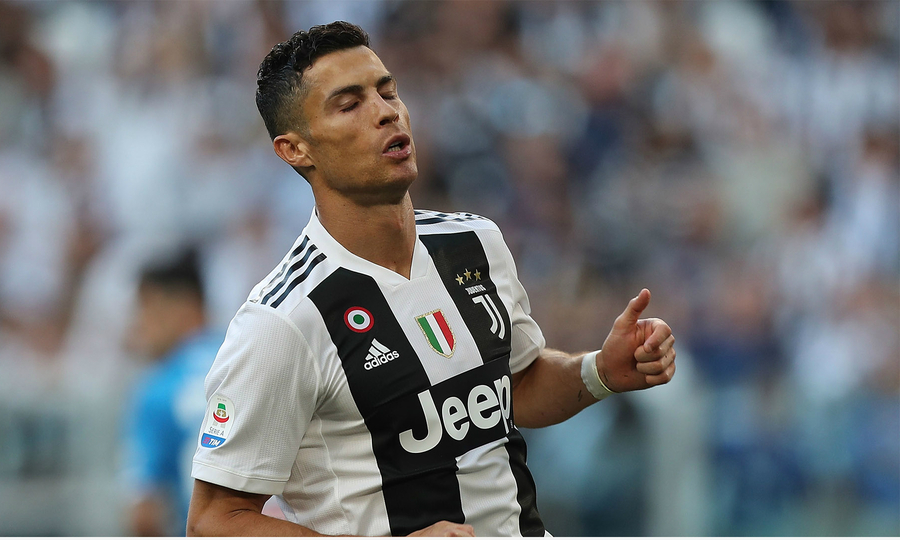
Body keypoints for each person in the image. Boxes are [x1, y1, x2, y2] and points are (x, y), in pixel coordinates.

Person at [187, 21, 676, 537]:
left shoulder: (476, 243)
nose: (386, 112)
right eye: (349, 105)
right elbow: (215, 519)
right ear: (295, 149)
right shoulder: (283, 320)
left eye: (387, 91)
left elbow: (517, 385)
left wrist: (599, 370)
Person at [122, 249, 223, 536]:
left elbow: (144, 515)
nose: (138, 324)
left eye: (146, 308)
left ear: (184, 308)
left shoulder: (158, 388)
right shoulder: (247, 358)